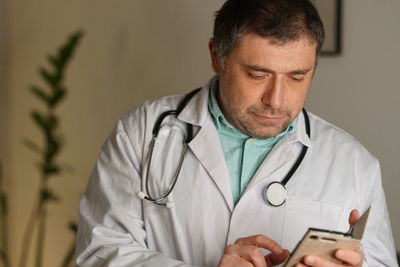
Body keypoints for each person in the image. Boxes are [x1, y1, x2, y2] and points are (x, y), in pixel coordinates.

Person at [76, 0, 398, 266]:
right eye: (258, 75)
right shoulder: (141, 133)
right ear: (217, 56)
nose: (276, 100)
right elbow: (99, 253)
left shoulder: (355, 164)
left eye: (297, 77)